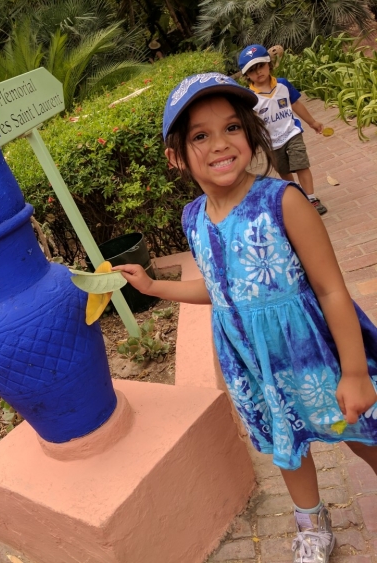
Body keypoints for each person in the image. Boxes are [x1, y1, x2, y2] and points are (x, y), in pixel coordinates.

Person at [114, 73, 377, 563]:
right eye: (200, 135)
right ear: (176, 156)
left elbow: (331, 289)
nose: (220, 144)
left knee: (362, 431)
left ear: (250, 134)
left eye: (232, 127)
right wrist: (153, 287)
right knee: (288, 446)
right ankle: (312, 526)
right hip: (255, 366)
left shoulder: (283, 201)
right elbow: (220, 290)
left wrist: (356, 371)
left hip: (315, 357)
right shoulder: (193, 218)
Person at [239, 44, 328, 215]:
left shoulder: (283, 85)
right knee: (284, 171)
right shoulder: (249, 97)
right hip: (270, 142)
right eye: (252, 70)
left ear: (269, 64)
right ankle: (297, 197)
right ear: (246, 75)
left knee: (301, 164)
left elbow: (296, 104)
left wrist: (312, 122)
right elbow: (248, 122)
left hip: (292, 133)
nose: (258, 72)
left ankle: (311, 197)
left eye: (261, 66)